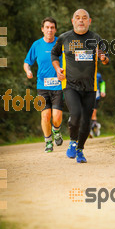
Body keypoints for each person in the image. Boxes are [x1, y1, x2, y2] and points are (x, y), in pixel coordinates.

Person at [51, 9, 109, 163]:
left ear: (89, 21)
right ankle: (72, 141)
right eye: (78, 18)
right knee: (75, 114)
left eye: (84, 18)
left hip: (90, 87)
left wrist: (103, 58)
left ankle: (80, 150)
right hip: (70, 85)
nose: (81, 20)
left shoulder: (96, 38)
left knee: (86, 122)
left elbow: (105, 58)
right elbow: (54, 54)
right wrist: (58, 69)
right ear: (73, 21)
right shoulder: (64, 38)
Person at [24, 17, 63, 153]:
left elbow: (68, 60)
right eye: (47, 27)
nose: (49, 30)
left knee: (57, 117)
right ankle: (48, 142)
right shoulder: (36, 45)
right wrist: (28, 70)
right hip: (42, 86)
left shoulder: (60, 43)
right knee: (45, 116)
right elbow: (27, 62)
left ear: (55, 29)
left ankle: (56, 130)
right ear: (42, 29)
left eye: (52, 27)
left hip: (58, 85)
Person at [90, 72, 106, 137]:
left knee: (93, 112)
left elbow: (102, 82)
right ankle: (93, 126)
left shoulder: (98, 75)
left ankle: (94, 127)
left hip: (96, 95)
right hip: (86, 94)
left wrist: (103, 91)